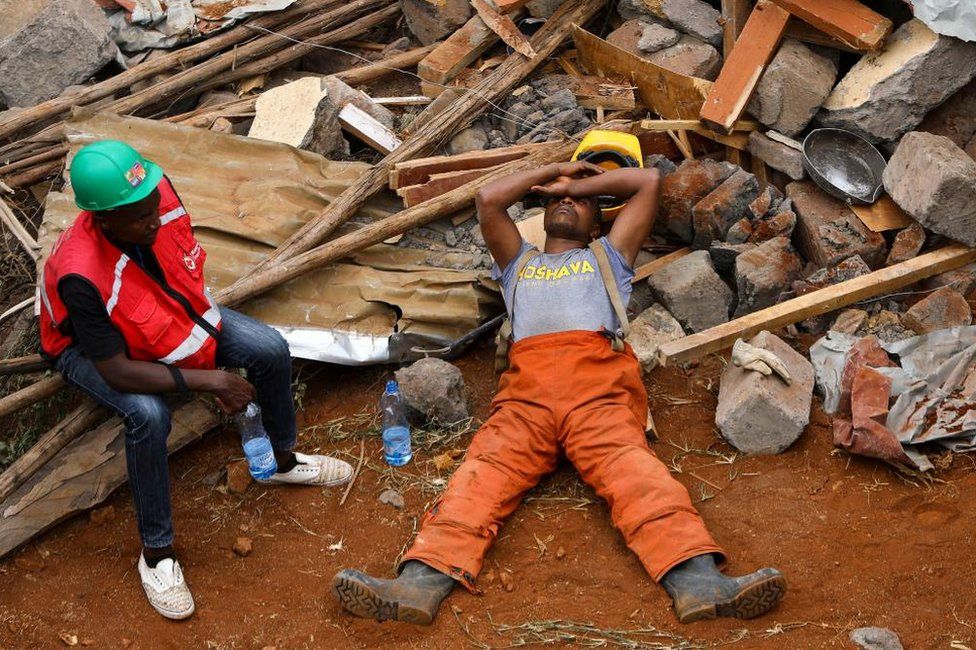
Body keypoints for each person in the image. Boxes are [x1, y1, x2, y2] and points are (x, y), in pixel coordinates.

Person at [331, 160, 786, 625]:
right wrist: (549, 172)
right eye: (556, 200)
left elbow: (648, 180)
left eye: (583, 202)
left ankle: (699, 583)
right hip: (524, 404)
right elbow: (489, 200)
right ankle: (417, 586)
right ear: (542, 210)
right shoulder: (517, 264)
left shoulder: (607, 258)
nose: (567, 201)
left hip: (597, 399)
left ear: (596, 225)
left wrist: (577, 183)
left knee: (640, 480)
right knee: (477, 482)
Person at [38, 140, 354, 620]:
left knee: (268, 348)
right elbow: (117, 369)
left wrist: (201, 355)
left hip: (164, 314)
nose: (154, 218)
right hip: (91, 349)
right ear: (104, 221)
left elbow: (178, 274)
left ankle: (284, 458)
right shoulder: (81, 275)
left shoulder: (153, 195)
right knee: (147, 414)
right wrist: (212, 381)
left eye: (152, 205)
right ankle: (157, 555)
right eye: (140, 216)